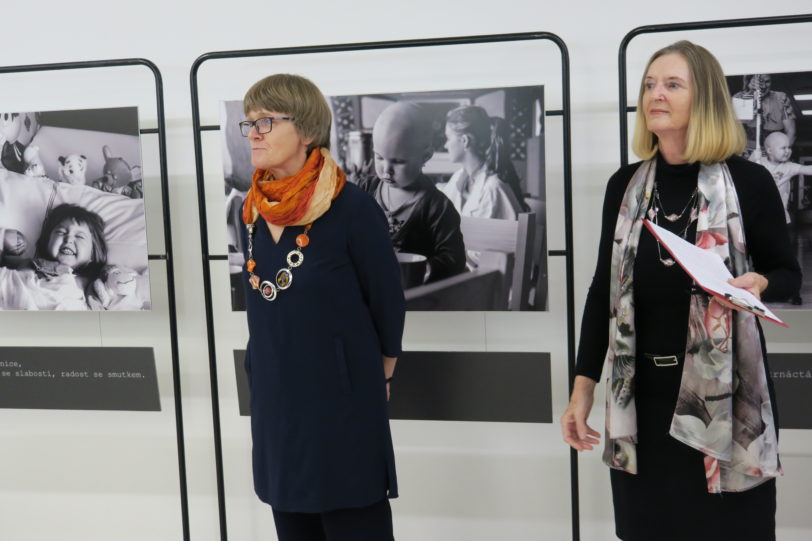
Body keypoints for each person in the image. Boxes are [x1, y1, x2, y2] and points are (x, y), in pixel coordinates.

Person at [560, 41, 800, 541]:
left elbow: (787, 273)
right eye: (650, 84)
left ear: (705, 98)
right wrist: (582, 390)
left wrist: (760, 283)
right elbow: (603, 292)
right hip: (640, 403)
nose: (656, 94)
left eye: (672, 84)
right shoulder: (624, 185)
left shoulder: (750, 182)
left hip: (726, 401)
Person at [238, 73, 405, 541]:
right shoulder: (250, 210)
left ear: (307, 130)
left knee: (355, 521)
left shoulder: (353, 209)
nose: (253, 133)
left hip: (341, 406)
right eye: (249, 123)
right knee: (292, 525)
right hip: (276, 405)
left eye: (266, 122)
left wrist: (376, 377)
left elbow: (388, 303)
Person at [353, 101, 466, 283]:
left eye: (398, 161)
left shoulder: (437, 207)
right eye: (379, 157)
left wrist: (421, 270)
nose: (386, 169)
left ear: (425, 155)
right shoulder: (364, 190)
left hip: (411, 293)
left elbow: (454, 260)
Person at [0, 203, 107, 310]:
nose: (68, 239)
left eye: (79, 236)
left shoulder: (89, 282)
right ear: (48, 242)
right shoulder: (31, 264)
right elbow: (9, 277)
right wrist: (3, 239)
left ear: (93, 254)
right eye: (61, 232)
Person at [442, 105, 526, 220]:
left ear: (465, 141)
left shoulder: (493, 188)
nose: (445, 145)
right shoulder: (459, 177)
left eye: (448, 138)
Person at [749, 131, 812, 223]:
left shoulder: (789, 167)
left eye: (789, 147)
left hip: (778, 214)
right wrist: (751, 160)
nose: (788, 151)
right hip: (757, 213)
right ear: (770, 151)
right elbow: (743, 176)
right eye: (783, 148)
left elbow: (807, 169)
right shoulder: (759, 162)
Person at [732, 73, 796, 156]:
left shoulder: (781, 98)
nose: (764, 86)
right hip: (746, 153)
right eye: (760, 82)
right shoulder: (739, 97)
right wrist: (750, 93)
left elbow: (791, 132)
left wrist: (781, 154)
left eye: (767, 81)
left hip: (774, 154)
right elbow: (736, 128)